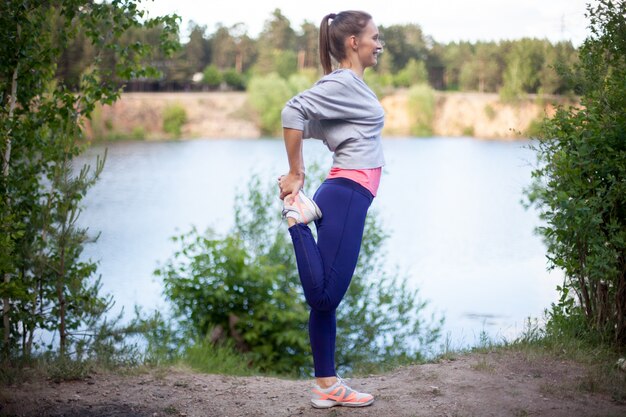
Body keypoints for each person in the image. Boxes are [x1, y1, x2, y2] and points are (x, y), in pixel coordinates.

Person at [277, 10, 385, 409]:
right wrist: (296, 171)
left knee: (327, 300)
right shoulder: (343, 82)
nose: (380, 44)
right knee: (323, 297)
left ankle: (326, 385)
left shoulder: (349, 87)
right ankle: (297, 221)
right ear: (353, 42)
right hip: (346, 193)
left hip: (343, 193)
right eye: (375, 37)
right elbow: (292, 112)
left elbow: (310, 125)